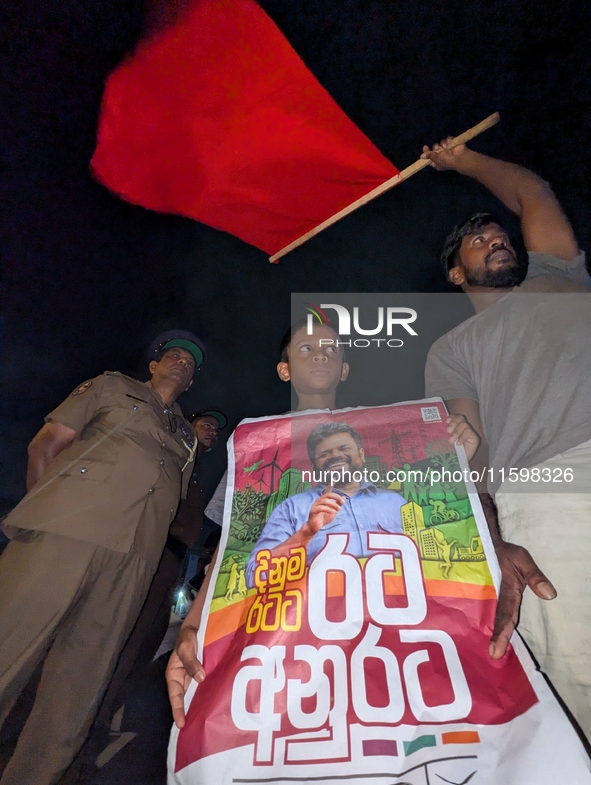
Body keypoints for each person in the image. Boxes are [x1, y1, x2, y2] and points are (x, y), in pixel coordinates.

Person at [166, 319, 479, 728]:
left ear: (345, 368)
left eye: (331, 347)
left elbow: (441, 536)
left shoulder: (392, 442)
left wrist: (458, 455)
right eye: (305, 347)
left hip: (387, 644)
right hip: (291, 648)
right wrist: (192, 625)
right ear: (285, 369)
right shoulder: (257, 448)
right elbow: (234, 552)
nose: (319, 353)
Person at [421, 137, 591, 738]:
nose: (497, 240)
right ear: (455, 272)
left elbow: (533, 192)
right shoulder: (451, 351)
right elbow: (473, 456)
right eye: (477, 240)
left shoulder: (558, 276)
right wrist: (491, 540)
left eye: (500, 235)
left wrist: (461, 160)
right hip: (555, 495)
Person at [0, 329, 206, 785]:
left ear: (192, 383)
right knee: (8, 647)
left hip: (133, 561)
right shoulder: (112, 386)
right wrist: (55, 512)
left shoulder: (185, 438)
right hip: (68, 533)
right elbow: (46, 445)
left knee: (80, 686)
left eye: (190, 364)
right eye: (173, 355)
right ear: (153, 365)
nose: (181, 363)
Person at [85, 408, 228, 749]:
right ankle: (85, 726)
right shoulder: (174, 457)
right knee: (121, 637)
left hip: (170, 560)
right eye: (205, 424)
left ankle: (98, 719)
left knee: (144, 640)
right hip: (150, 553)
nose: (212, 431)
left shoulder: (195, 471)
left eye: (216, 429)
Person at [245, 421, 406, 587]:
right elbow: (254, 576)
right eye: (324, 454)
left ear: (362, 455)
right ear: (314, 467)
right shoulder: (291, 508)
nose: (335, 455)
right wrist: (307, 532)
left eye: (344, 448)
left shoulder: (396, 502)